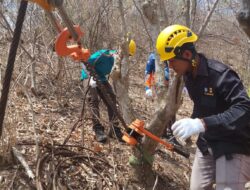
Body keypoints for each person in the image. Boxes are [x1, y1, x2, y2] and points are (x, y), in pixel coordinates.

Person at [156, 24, 250, 189]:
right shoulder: (188, 76)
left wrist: (202, 124)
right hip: (207, 143)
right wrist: (190, 124)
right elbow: (204, 106)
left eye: (171, 60)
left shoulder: (220, 74)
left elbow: (244, 108)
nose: (170, 66)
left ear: (186, 54)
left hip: (233, 143)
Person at [81, 40, 136, 143]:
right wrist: (90, 77)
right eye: (125, 54)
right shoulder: (104, 54)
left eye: (129, 56)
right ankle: (98, 130)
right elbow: (85, 63)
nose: (126, 58)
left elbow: (117, 78)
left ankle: (115, 130)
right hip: (88, 76)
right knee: (94, 100)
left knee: (112, 101)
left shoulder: (121, 63)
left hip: (101, 78)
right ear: (120, 51)